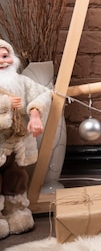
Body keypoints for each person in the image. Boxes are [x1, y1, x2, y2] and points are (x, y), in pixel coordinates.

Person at [0, 39, 51, 239]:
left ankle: (16, 212)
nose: (2, 62)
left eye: (5, 56)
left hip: (16, 145)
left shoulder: (21, 82)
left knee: (16, 177)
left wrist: (35, 114)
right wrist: (5, 103)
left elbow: (44, 93)